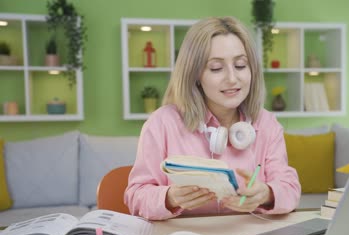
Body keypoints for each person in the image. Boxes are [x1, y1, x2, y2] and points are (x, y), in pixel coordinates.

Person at [124, 16, 301, 220]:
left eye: (241, 65)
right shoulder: (162, 124)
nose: (232, 79)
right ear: (195, 75)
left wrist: (267, 194)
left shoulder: (267, 124)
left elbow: (290, 189)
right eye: (216, 68)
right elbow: (135, 196)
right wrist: (169, 198)